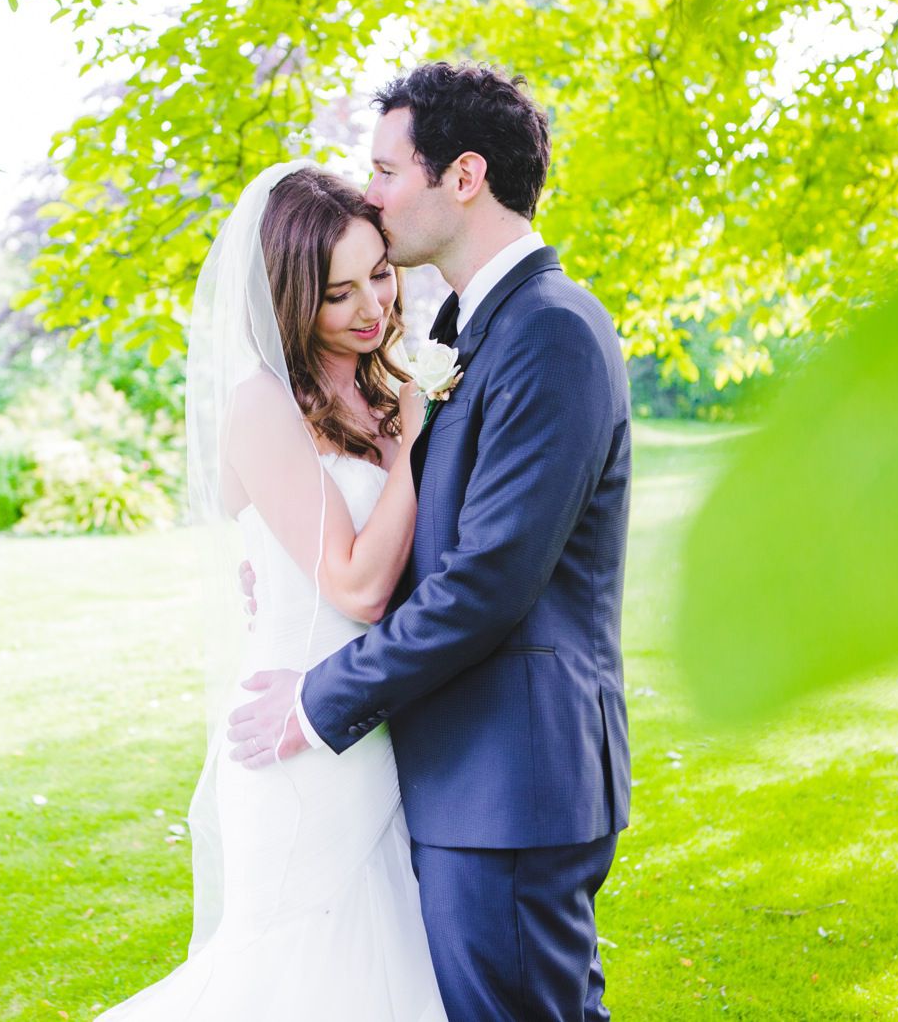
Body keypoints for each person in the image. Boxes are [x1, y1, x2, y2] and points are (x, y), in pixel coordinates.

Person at [228, 62, 634, 1021]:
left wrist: (321, 694)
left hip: (511, 778)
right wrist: (295, 582)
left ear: (462, 177)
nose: (369, 192)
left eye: (385, 170)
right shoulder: (463, 329)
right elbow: (435, 527)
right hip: (459, 773)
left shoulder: (551, 329)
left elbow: (489, 580)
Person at [96, 162, 447, 1020]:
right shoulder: (264, 404)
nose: (373, 306)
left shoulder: (375, 387)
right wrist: (411, 443)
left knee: (379, 963)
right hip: (294, 742)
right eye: (339, 293)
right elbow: (360, 586)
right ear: (291, 300)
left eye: (379, 271)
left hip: (371, 724)